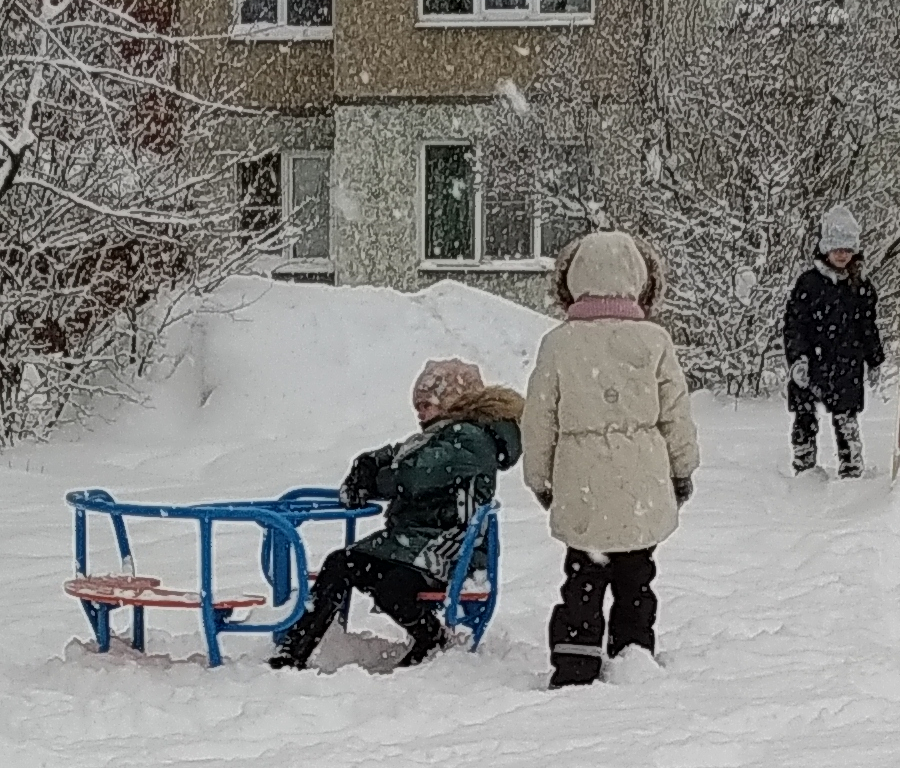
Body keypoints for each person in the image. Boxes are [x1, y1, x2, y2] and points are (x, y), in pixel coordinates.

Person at [522, 230, 700, 690]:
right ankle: (633, 652)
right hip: (641, 479)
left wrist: (539, 478)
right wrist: (682, 469)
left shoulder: (559, 344)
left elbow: (538, 419)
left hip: (581, 481)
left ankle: (576, 659)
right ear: (640, 280)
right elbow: (675, 413)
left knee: (582, 578)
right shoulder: (654, 341)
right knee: (636, 576)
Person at [270, 359, 523, 672]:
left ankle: (431, 638)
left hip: (451, 546)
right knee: (341, 563)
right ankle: (293, 651)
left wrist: (373, 481)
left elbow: (414, 474)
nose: (419, 412)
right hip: (412, 543)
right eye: (417, 404)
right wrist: (368, 463)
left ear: (453, 402)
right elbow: (399, 454)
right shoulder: (441, 435)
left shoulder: (469, 439)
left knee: (393, 586)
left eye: (426, 404)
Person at [782, 204, 885, 478]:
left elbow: (867, 324)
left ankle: (851, 466)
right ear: (825, 249)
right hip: (812, 361)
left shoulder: (860, 286)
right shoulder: (809, 284)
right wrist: (797, 359)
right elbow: (794, 325)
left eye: (847, 249)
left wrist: (874, 358)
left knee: (846, 418)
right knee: (805, 414)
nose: (842, 255)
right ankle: (804, 465)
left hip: (847, 362)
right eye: (837, 248)